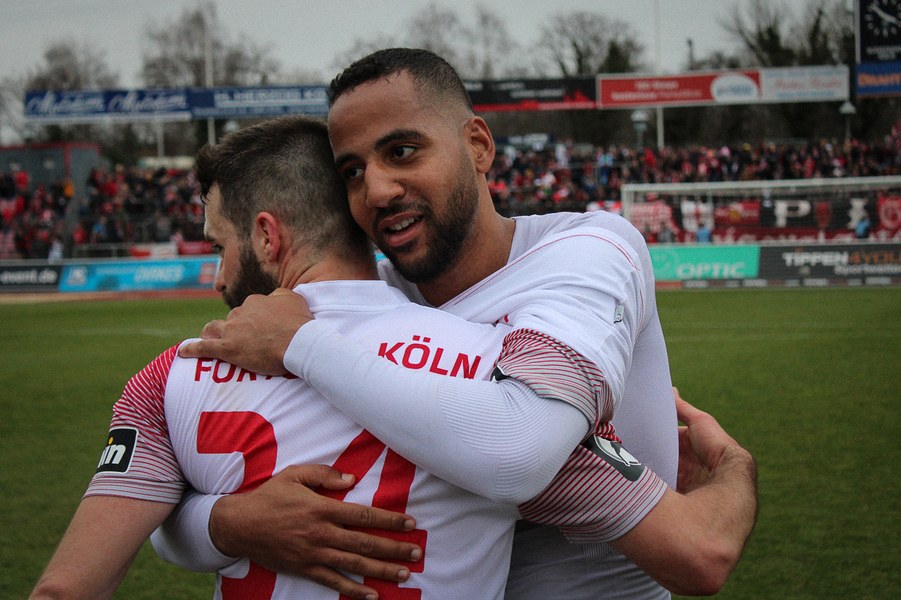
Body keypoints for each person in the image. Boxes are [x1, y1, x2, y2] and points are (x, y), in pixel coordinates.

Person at [162, 49, 758, 599]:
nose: (377, 190)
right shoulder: (372, 303)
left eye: (402, 151)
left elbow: (521, 452)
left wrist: (735, 468)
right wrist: (229, 521)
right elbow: (159, 506)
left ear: (477, 145)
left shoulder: (587, 250)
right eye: (351, 172)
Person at [31, 116, 540, 599]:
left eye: (220, 247)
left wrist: (221, 523)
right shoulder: (500, 360)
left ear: (266, 236)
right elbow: (593, 507)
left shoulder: (170, 376)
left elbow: (66, 589)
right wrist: (224, 523)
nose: (218, 279)